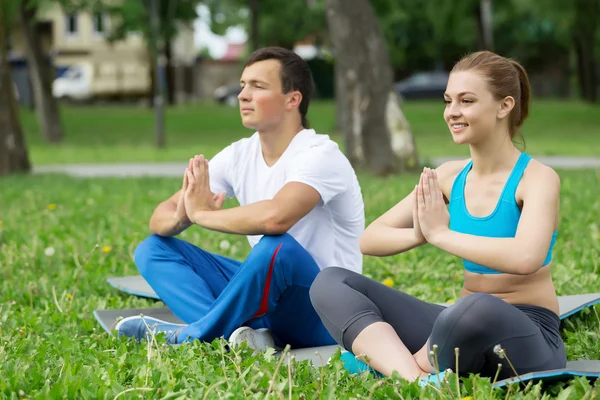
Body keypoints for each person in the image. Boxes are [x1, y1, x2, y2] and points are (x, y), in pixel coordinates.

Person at [309, 50, 566, 384]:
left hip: (528, 334)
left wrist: (441, 235)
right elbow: (370, 239)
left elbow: (526, 257)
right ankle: (416, 378)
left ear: (505, 106)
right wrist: (420, 233)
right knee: (330, 281)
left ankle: (389, 362)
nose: (452, 112)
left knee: (475, 308)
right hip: (455, 327)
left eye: (467, 101)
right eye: (448, 101)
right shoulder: (448, 176)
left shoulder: (537, 178)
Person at [115, 47, 365, 351]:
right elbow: (161, 215)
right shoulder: (238, 155)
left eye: (257, 86)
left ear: (292, 99)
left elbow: (277, 217)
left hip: (327, 312)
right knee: (153, 249)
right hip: (272, 304)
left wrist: (202, 216)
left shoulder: (320, 155)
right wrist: (183, 214)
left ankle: (193, 336)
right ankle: (238, 336)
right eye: (243, 85)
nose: (242, 95)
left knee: (276, 249)